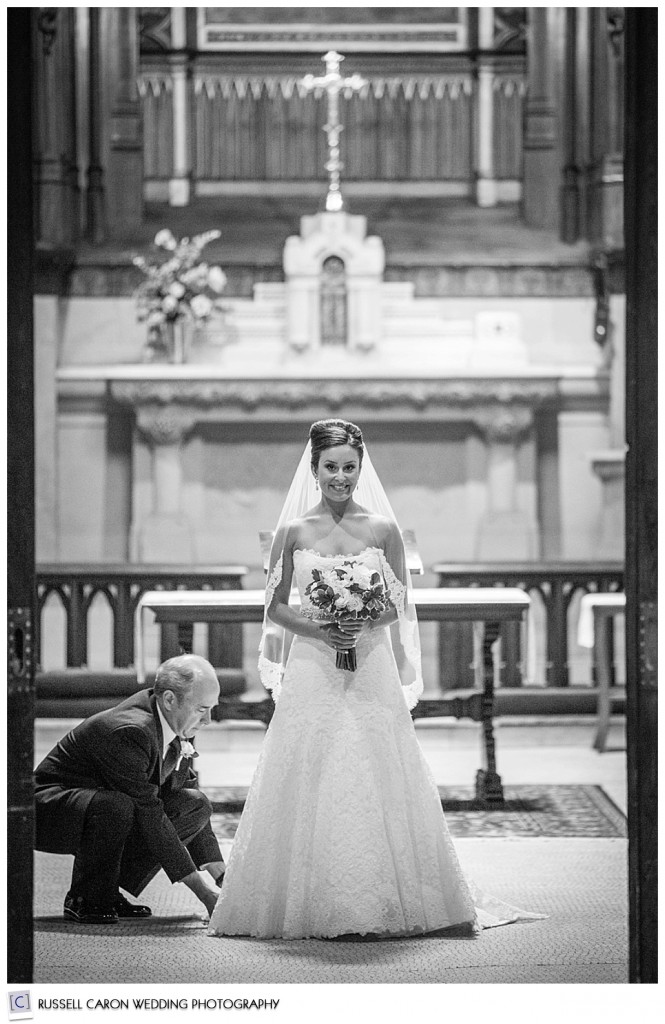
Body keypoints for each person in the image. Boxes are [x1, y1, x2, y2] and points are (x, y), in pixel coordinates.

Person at [208, 419, 545, 940]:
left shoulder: (383, 528)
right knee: (308, 762)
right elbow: (273, 607)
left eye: (349, 467)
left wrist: (363, 621)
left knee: (378, 760)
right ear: (314, 469)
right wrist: (323, 627)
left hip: (370, 663)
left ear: (360, 468)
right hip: (314, 664)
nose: (340, 477)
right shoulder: (293, 531)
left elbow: (399, 604)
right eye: (331, 468)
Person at [34, 654, 225, 924]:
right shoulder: (130, 731)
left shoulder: (178, 720)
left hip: (103, 808)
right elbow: (149, 813)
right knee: (116, 806)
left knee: (194, 803)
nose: (207, 720)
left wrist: (223, 878)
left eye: (212, 708)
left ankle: (107, 889)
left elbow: (183, 792)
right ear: (169, 699)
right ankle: (87, 896)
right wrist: (205, 895)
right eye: (202, 709)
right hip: (46, 811)